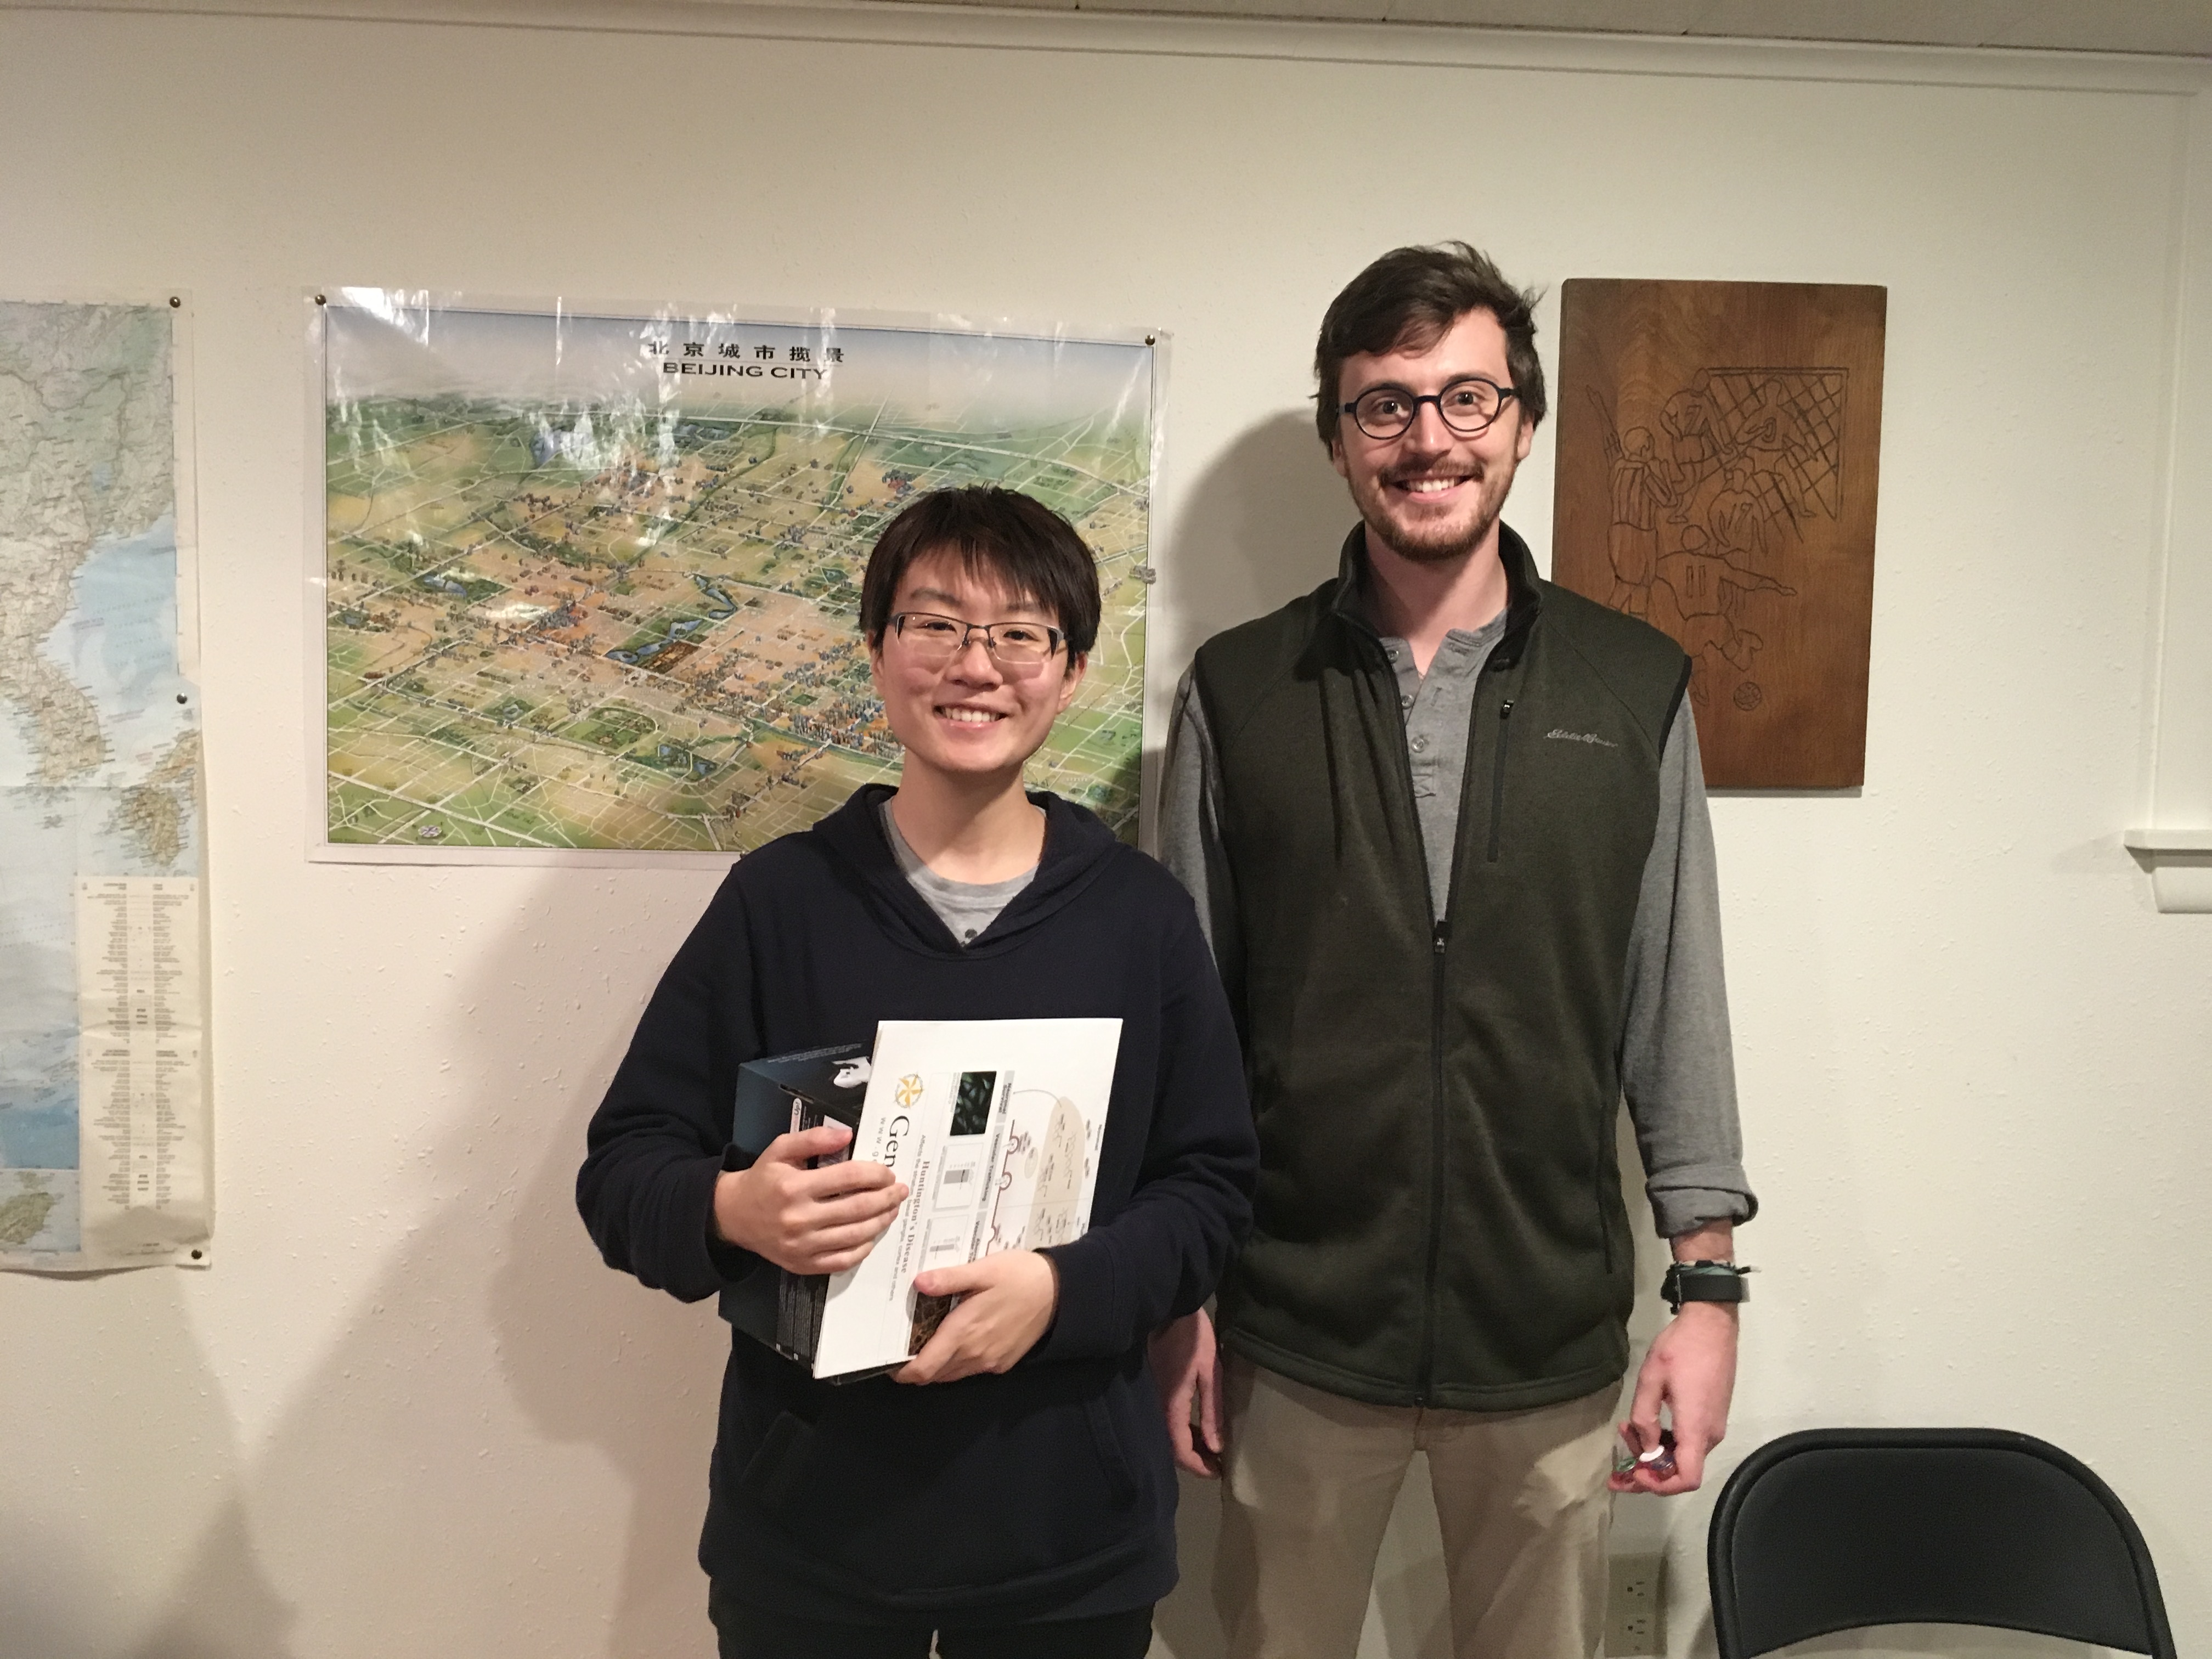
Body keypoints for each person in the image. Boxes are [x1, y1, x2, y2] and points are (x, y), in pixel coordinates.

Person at [1151, 242, 1758, 1659]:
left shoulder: (1633, 686)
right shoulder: (1240, 691)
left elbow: (1675, 997)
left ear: (1522, 422)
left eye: (1467, 398)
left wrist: (1709, 1292)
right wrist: (1179, 1295)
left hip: (1546, 1337)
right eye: (1386, 405)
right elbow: (1189, 1026)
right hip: (1292, 1333)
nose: (1429, 438)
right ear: (1339, 438)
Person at [578, 486, 1256, 1658]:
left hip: (1068, 1538)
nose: (974, 666)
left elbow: (1212, 1190)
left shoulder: (1141, 918)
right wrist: (734, 1208)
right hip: (812, 1539)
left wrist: (1063, 1293)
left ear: (1072, 671)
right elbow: (623, 1171)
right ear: (877, 651)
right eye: (935, 624)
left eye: (1020, 633)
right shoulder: (780, 900)